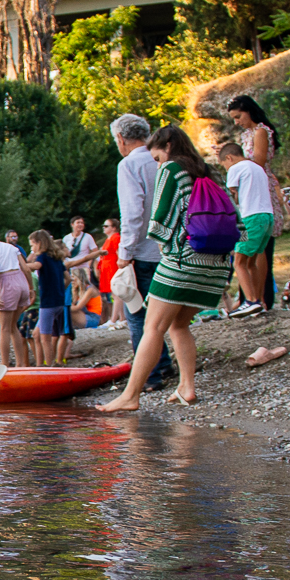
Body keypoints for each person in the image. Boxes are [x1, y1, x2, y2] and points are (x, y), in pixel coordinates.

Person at [96, 127, 230, 412]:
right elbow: (235, 218)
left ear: (168, 146)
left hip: (182, 260)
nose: (157, 165)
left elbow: (159, 222)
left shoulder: (171, 169)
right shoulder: (210, 172)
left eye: (156, 158)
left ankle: (131, 396)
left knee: (152, 326)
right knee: (179, 324)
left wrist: (160, 249)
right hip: (215, 264)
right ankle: (187, 388)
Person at [112, 113, 174, 388]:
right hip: (170, 248)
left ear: (121, 138)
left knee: (137, 315)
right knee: (163, 313)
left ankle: (149, 375)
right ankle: (164, 364)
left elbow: (133, 213)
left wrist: (124, 253)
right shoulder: (162, 160)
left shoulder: (129, 165)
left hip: (143, 251)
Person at [219, 140, 275, 317]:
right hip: (267, 216)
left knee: (239, 262)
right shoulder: (258, 167)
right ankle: (257, 300)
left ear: (229, 157)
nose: (227, 169)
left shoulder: (236, 168)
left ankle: (250, 301)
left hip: (251, 216)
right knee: (251, 262)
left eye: (225, 165)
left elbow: (231, 195)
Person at [0, 228, 30, 367]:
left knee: (4, 328)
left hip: (7, 284)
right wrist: (31, 289)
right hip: (21, 282)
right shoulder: (11, 247)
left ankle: (5, 365)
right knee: (13, 326)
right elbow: (26, 268)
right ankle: (21, 364)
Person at [25, 230, 70, 365]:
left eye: (32, 245)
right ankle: (40, 365)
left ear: (39, 244)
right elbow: (68, 278)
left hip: (48, 304)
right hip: (59, 302)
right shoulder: (56, 258)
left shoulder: (43, 257)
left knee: (45, 338)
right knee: (36, 335)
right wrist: (60, 290)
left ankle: (49, 366)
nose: (31, 249)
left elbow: (36, 266)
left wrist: (21, 266)